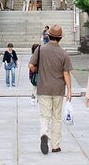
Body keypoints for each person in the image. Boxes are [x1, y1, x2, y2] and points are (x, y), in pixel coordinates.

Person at [29, 24, 72, 154]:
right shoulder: (63, 53)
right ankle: (55, 145)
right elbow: (66, 74)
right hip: (58, 89)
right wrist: (69, 91)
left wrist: (37, 69)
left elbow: (31, 65)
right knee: (56, 118)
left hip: (43, 88)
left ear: (49, 35)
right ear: (60, 38)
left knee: (44, 115)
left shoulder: (40, 49)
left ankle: (44, 134)